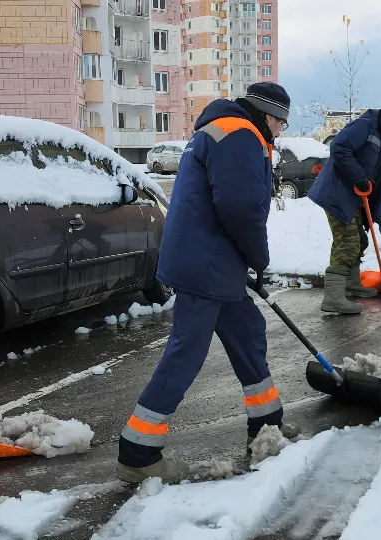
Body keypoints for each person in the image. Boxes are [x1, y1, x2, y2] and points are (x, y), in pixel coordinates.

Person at [116, 82, 301, 484]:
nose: (279, 131)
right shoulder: (240, 134)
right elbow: (241, 208)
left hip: (212, 260)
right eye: (280, 123)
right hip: (207, 264)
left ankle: (267, 424)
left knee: (248, 334)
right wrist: (259, 257)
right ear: (268, 115)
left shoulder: (221, 128)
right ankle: (138, 451)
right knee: (187, 352)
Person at [307, 105, 381, 314]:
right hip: (337, 193)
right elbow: (339, 147)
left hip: (355, 199)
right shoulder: (366, 126)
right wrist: (358, 177)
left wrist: (374, 213)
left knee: (360, 240)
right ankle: (333, 297)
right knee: (347, 242)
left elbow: (380, 183)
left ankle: (351, 283)